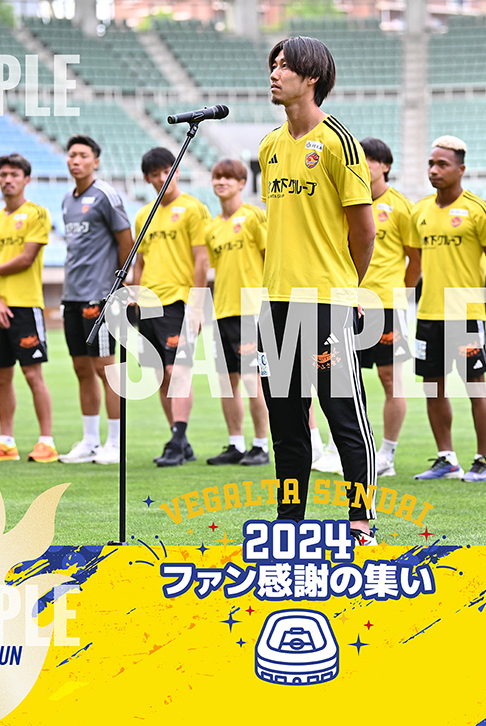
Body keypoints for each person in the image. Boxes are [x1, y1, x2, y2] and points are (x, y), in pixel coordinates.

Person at [259, 36, 377, 545]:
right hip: (275, 304)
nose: (274, 73)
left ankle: (361, 523)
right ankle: (289, 523)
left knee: (344, 417)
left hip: (327, 302)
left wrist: (346, 289)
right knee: (286, 424)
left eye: (285, 66)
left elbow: (364, 231)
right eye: (273, 64)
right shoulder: (268, 146)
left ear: (312, 78)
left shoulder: (338, 143)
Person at [312, 137, 419, 478]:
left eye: (371, 160)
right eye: (360, 159)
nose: (365, 165)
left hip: (385, 305)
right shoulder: (343, 200)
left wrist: (399, 294)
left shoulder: (400, 206)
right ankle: (337, 449)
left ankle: (387, 453)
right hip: (345, 302)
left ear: (385, 166)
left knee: (390, 379)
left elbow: (415, 259)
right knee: (339, 379)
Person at [409, 136, 486, 481]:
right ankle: (446, 459)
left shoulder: (479, 210)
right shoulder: (419, 211)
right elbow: (415, 261)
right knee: (432, 387)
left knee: (475, 386)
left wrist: (484, 300)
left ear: (461, 169)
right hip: (429, 313)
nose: (434, 170)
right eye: (431, 164)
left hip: (464, 312)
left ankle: (483, 460)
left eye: (442, 164)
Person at [131, 147, 210, 467]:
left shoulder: (193, 209)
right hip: (149, 304)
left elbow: (202, 260)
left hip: (179, 301)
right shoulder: (143, 214)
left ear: (176, 172)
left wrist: (198, 305)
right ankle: (180, 441)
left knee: (176, 371)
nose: (162, 178)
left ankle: (177, 440)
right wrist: (135, 295)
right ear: (147, 179)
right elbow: (139, 261)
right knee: (159, 376)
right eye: (155, 174)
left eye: (167, 171)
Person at [58, 135, 134, 466]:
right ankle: (90, 440)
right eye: (72, 155)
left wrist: (119, 285)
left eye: (83, 155)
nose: (76, 160)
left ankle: (115, 443)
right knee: (81, 368)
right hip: (71, 295)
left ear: (95, 161)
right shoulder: (67, 199)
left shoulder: (105, 195)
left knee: (106, 368)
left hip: (99, 295)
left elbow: (126, 240)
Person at [0, 153, 56, 463]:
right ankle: (6, 442)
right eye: (3, 174)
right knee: (1, 376)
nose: (8, 180)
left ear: (26, 180)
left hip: (26, 306)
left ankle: (46, 442)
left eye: (14, 175)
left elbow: (25, 259)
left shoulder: (37, 214)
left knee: (33, 375)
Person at [204, 158, 271, 467]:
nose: (221, 182)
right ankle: (235, 444)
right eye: (217, 177)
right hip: (222, 311)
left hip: (251, 311)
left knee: (251, 379)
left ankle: (261, 445)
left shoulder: (254, 217)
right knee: (226, 381)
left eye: (228, 178)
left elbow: (269, 259)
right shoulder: (212, 227)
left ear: (242, 183)